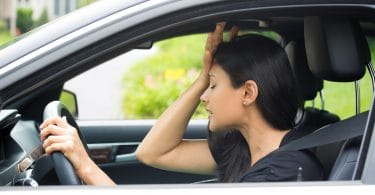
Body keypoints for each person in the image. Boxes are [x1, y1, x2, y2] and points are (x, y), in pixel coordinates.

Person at [40, 22, 323, 185]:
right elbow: (152, 153)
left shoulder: (280, 176)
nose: (204, 96)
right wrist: (203, 77)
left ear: (248, 93)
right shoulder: (246, 151)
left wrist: (85, 165)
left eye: (213, 86)